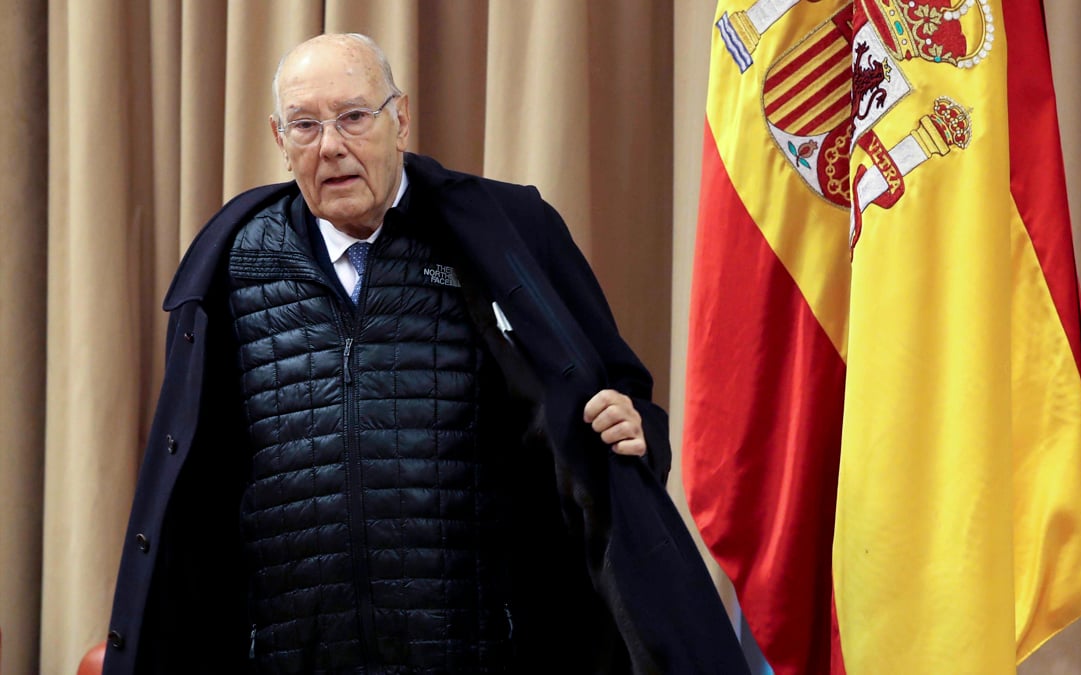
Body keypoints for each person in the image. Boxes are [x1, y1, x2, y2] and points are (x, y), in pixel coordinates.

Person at [103, 33, 746, 675]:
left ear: (400, 117)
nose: (331, 146)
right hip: (290, 651)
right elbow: (197, 475)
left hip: (472, 648)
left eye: (355, 116)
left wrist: (633, 422)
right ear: (279, 138)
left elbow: (618, 388)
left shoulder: (501, 233)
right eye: (305, 125)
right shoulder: (236, 261)